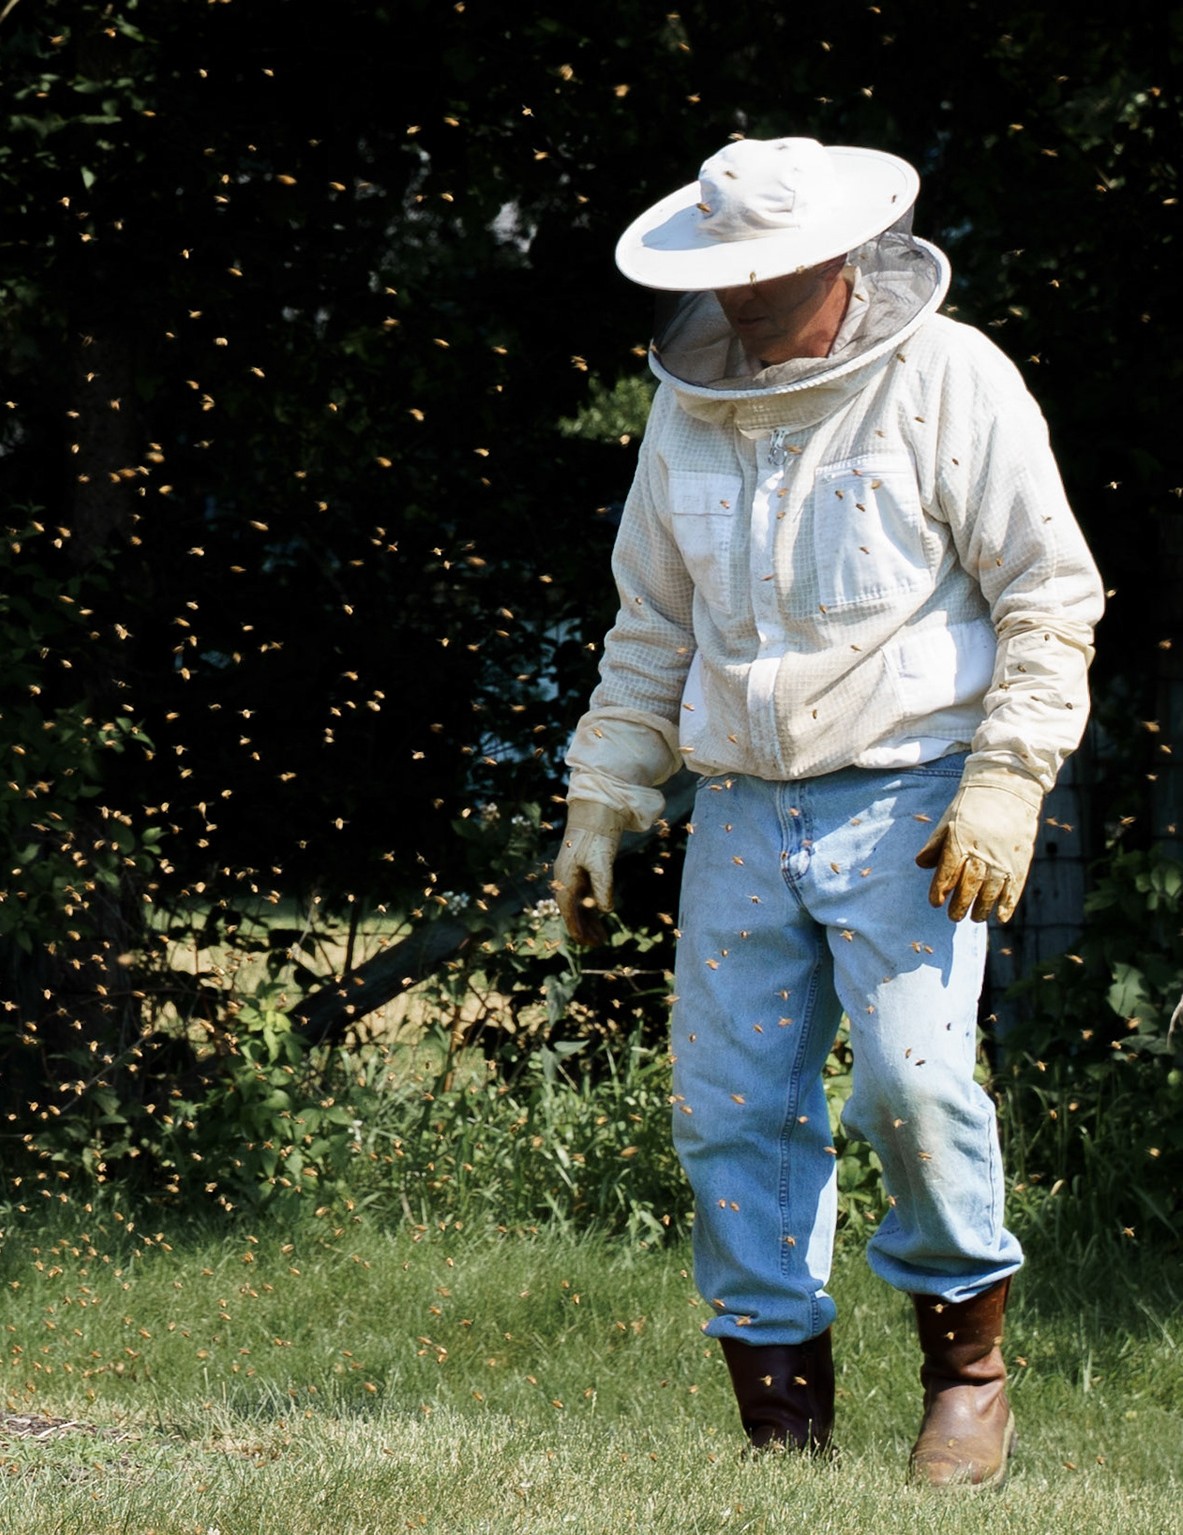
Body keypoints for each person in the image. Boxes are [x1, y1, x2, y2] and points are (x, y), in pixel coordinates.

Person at [551, 136, 1104, 1489]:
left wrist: (1006, 780)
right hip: (743, 803)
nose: (742, 297)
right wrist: (602, 795)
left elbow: (1048, 596)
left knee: (915, 1086)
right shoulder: (687, 409)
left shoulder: (951, 378)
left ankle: (967, 1378)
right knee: (729, 1109)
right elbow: (653, 624)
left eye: (771, 274)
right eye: (727, 274)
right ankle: (782, 1421)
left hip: (914, 795)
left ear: (842, 258)